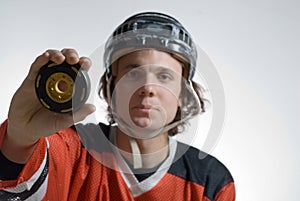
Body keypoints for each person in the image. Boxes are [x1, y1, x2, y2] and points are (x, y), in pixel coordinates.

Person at [0, 12, 235, 201]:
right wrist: (18, 141)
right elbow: (16, 185)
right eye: (133, 72)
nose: (147, 87)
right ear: (110, 86)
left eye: (164, 76)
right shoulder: (71, 148)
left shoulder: (211, 182)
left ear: (184, 94)